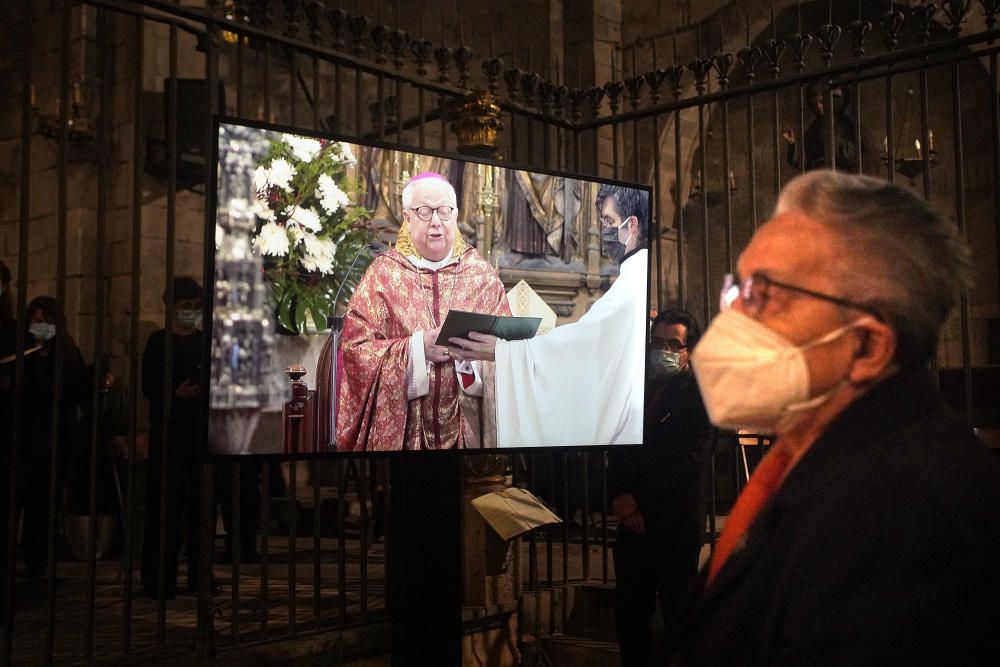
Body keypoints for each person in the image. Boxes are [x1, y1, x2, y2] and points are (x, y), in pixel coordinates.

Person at [667, 169, 1000, 663]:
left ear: (867, 345)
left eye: (765, 295)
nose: (731, 321)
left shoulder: (899, 512)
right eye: (736, 292)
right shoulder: (819, 462)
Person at [449, 184, 648, 447]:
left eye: (609, 221)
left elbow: (582, 346)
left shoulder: (633, 283)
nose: (603, 230)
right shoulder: (638, 274)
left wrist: (503, 351)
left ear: (631, 224)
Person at [336, 172, 510, 451]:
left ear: (455, 215)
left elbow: (508, 353)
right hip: (407, 442)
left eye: (444, 211)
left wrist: (470, 361)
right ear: (407, 218)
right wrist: (417, 350)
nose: (436, 222)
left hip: (470, 438)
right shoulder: (383, 275)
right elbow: (356, 352)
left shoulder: (483, 277)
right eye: (425, 212)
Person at [607, 309, 711, 667]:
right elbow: (616, 444)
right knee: (630, 619)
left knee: (679, 622)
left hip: (673, 526)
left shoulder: (699, 396)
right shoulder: (638, 386)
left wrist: (638, 501)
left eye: (673, 344)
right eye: (658, 342)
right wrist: (619, 498)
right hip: (631, 527)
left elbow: (687, 463)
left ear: (689, 351)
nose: (663, 350)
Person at [141, 277, 207, 598]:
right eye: (184, 307)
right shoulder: (157, 342)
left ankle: (199, 576)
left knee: (200, 505)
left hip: (198, 432)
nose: (190, 313)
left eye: (195, 307)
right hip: (168, 432)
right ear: (171, 308)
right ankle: (159, 579)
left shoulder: (204, 342)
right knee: (164, 506)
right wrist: (174, 393)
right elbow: (148, 387)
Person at [13, 296, 87, 579]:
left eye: (46, 322)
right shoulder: (22, 354)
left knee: (44, 501)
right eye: (37, 321)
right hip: (24, 437)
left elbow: (78, 391)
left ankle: (37, 560)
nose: (41, 326)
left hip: (56, 437)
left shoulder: (66, 354)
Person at [782, 85, 860, 172]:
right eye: (815, 104)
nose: (818, 106)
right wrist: (792, 144)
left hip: (837, 173)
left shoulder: (844, 122)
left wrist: (835, 140)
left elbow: (856, 154)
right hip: (818, 175)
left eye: (821, 102)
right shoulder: (813, 128)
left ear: (831, 101)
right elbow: (804, 163)